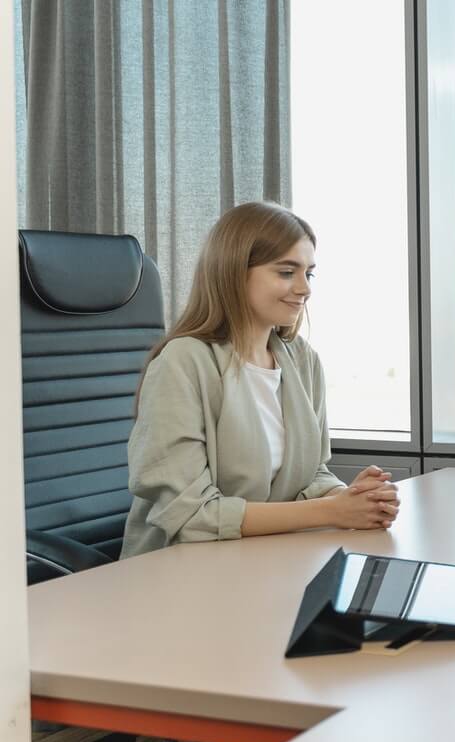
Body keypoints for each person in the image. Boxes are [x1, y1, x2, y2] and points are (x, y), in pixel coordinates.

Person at [121, 201, 399, 558]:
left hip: (263, 562)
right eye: (286, 272)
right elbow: (190, 516)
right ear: (234, 273)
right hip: (180, 574)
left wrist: (352, 499)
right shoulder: (183, 363)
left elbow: (312, 475)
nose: (304, 288)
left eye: (308, 274)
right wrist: (333, 511)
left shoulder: (302, 361)